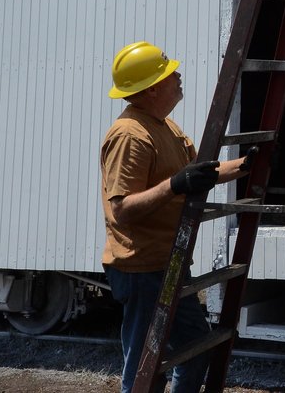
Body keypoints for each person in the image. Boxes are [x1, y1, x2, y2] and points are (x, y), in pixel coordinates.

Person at [100, 41, 256, 393]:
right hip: (141, 268)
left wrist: (246, 166)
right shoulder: (130, 135)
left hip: (166, 263)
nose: (179, 76)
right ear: (153, 88)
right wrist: (174, 185)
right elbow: (121, 209)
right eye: (171, 73)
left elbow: (199, 174)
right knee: (144, 368)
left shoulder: (164, 125)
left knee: (194, 348)